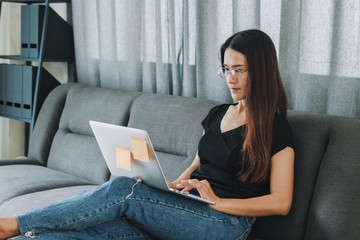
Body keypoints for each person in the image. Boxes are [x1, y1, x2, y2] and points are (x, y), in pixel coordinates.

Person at [0, 29, 295, 240]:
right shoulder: (219, 113)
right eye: (226, 69)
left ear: (261, 71)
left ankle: (14, 224)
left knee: (124, 189)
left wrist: (219, 202)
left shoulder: (276, 128)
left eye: (239, 70)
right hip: (190, 208)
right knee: (97, 231)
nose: (231, 78)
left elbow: (280, 202)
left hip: (226, 224)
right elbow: (197, 164)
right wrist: (173, 185)